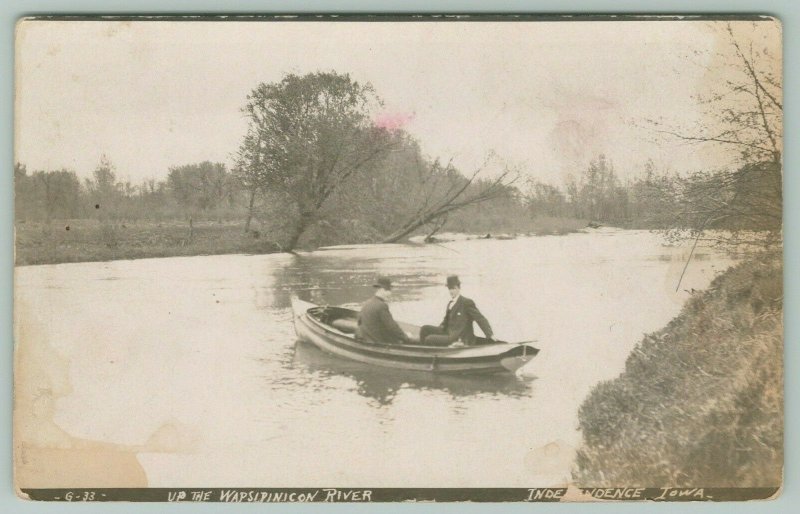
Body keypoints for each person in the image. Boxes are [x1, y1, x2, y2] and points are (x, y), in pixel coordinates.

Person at [419, 275, 495, 347]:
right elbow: (445, 323)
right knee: (424, 329)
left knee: (429, 339)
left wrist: (490, 335)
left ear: (458, 288)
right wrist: (439, 331)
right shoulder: (450, 303)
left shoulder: (466, 302)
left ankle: (432, 354)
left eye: (453, 288)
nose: (451, 291)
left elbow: (480, 319)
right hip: (448, 333)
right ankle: (421, 351)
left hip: (459, 338)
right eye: (449, 289)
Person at [356, 276, 411, 345]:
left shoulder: (367, 303)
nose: (390, 294)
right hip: (377, 343)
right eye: (388, 290)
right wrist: (406, 337)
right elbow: (392, 327)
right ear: (382, 290)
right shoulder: (382, 306)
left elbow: (359, 322)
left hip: (367, 340)